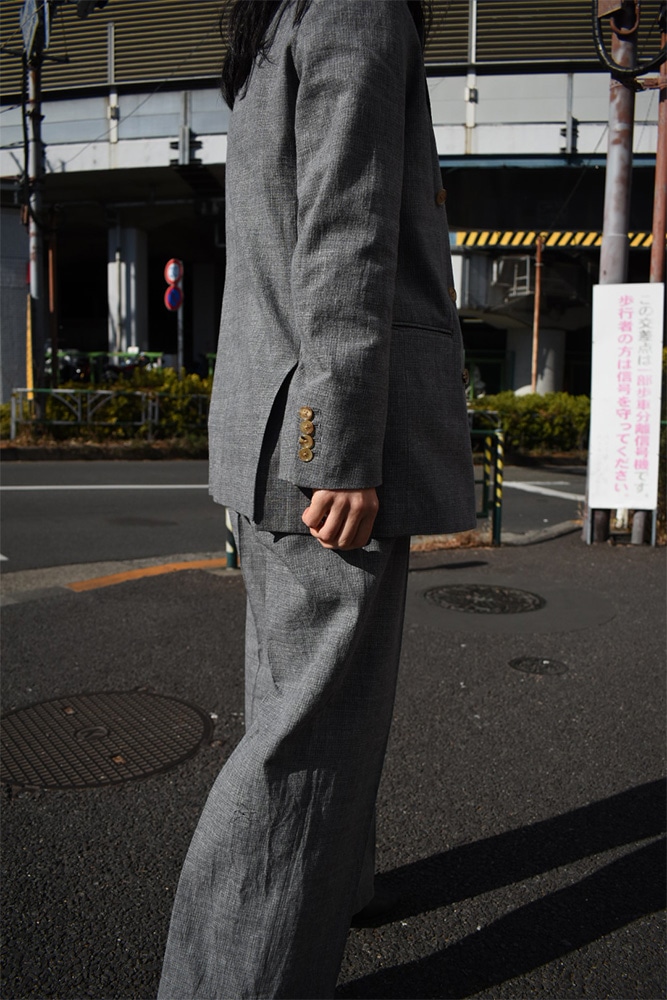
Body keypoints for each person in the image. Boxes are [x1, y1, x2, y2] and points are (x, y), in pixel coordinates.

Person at [158, 2, 475, 997]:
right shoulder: (358, 7)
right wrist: (334, 451)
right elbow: (346, 235)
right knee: (303, 737)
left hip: (268, 419)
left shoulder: (280, 20)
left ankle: (335, 886)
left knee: (302, 700)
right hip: (318, 442)